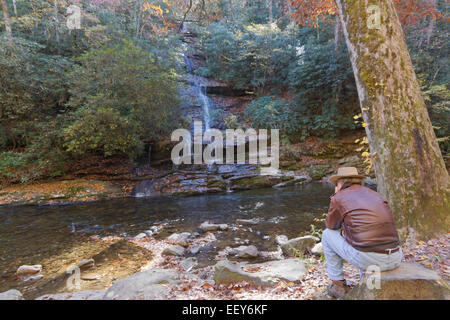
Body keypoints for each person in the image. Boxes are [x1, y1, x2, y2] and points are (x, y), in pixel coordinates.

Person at [322, 167, 402, 298]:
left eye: (336, 185)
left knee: (327, 235)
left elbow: (331, 226)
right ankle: (366, 282)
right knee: (364, 236)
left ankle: (338, 285)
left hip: (371, 260)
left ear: (340, 183)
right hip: (395, 257)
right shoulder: (375, 194)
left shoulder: (339, 197)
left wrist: (336, 197)